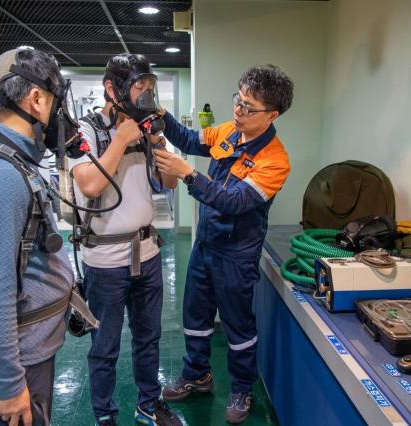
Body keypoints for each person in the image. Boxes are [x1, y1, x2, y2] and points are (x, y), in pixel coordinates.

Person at [155, 65, 294, 424]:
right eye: (238, 99)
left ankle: (242, 389)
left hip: (236, 255)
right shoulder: (229, 131)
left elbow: (233, 201)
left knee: (238, 328)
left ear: (272, 115)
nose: (238, 110)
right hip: (205, 245)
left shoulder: (274, 161)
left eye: (248, 107)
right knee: (195, 317)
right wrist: (162, 117)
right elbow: (189, 139)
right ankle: (197, 375)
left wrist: (188, 173)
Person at [0, 48, 76, 425]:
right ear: (36, 99)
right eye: (56, 103)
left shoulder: (15, 162)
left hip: (30, 351)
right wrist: (7, 386)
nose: (60, 116)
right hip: (18, 363)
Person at [68, 53, 182, 426]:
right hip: (105, 261)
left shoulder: (145, 131)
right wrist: (120, 140)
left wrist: (159, 144)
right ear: (112, 89)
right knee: (105, 347)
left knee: (149, 339)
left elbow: (167, 184)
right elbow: (90, 184)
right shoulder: (85, 131)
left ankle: (149, 404)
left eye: (151, 88)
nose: (146, 95)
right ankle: (104, 415)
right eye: (139, 88)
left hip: (147, 253)